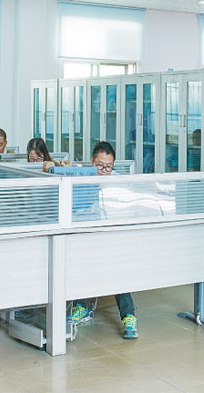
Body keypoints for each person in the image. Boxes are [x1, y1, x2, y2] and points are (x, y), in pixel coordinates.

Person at [69, 141, 138, 339]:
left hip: (111, 239)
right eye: (100, 166)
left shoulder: (117, 183)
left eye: (108, 167)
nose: (103, 171)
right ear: (92, 162)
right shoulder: (80, 181)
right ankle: (80, 306)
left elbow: (126, 211)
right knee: (79, 263)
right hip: (86, 237)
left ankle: (129, 316)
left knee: (117, 270)